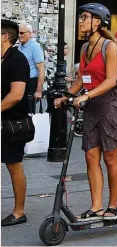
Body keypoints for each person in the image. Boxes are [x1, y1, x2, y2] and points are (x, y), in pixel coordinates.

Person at [54, 3, 117, 220]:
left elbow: (111, 80)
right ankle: (96, 206)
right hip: (91, 105)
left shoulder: (109, 46)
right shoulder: (84, 48)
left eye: (84, 17)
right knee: (91, 156)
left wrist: (86, 95)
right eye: (81, 17)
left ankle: (113, 205)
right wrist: (68, 96)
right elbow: (82, 78)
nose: (80, 21)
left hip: (110, 105)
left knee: (110, 158)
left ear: (97, 22)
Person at [1, 20, 31, 226]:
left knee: (14, 165)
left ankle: (19, 212)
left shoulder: (17, 60)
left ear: (5, 36)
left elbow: (16, 94)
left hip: (13, 122)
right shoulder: (3, 59)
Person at [18, 23, 45, 114]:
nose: (19, 35)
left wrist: (38, 91)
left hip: (31, 83)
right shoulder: (20, 46)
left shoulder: (35, 47)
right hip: (21, 82)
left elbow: (41, 70)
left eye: (22, 33)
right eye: (18, 33)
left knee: (29, 111)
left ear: (30, 34)